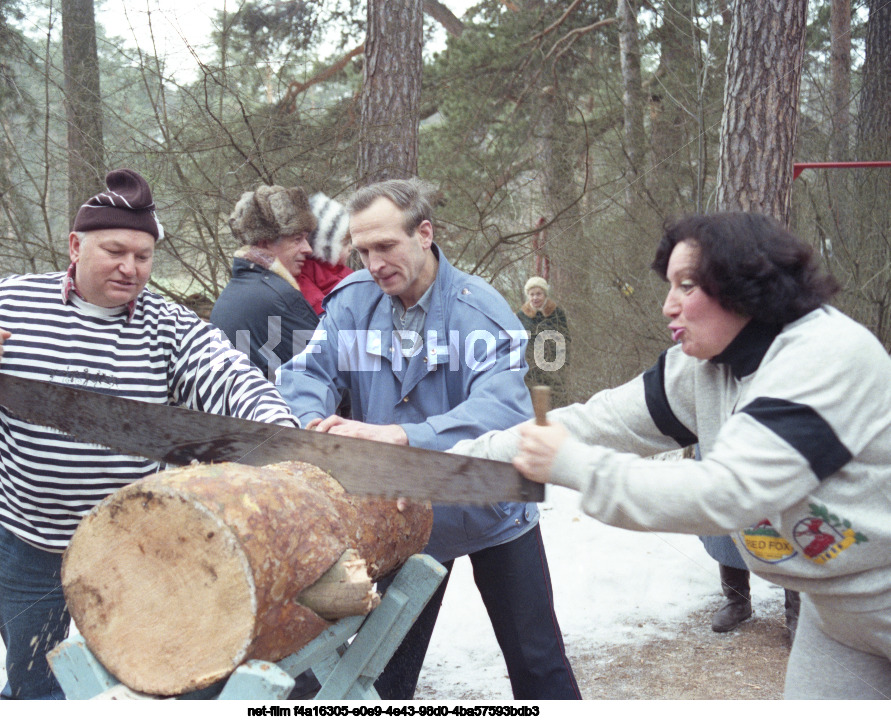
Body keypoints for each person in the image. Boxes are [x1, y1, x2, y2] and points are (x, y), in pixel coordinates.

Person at [457, 212, 891, 700]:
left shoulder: (824, 358)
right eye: (669, 286)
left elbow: (726, 494)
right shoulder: (706, 367)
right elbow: (598, 423)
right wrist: (463, 461)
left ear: (745, 281)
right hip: (837, 619)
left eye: (687, 286)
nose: (668, 306)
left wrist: (573, 464)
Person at [0, 169, 299, 700]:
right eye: (115, 251)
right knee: (33, 682)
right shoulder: (14, 301)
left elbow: (228, 374)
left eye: (143, 256)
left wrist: (280, 432)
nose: (130, 268)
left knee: (138, 678)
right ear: (75, 245)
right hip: (27, 536)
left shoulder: (168, 325)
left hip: (128, 543)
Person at [276, 178, 580, 700]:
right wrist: (312, 426)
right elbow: (307, 374)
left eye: (386, 246)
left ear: (424, 233)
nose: (373, 263)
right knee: (377, 674)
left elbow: (502, 408)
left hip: (489, 512)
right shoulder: (350, 302)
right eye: (363, 250)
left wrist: (406, 436)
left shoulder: (481, 311)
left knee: (539, 665)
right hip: (398, 516)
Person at [209, 184, 320, 380]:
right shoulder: (278, 296)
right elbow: (327, 366)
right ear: (264, 242)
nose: (308, 249)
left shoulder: (233, 292)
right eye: (297, 239)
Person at [296, 192, 354, 315]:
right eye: (344, 243)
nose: (350, 247)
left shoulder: (342, 270)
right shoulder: (306, 272)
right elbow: (316, 303)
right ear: (324, 247)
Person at [518, 275, 571, 407]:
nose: (535, 298)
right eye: (532, 294)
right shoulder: (521, 316)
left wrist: (564, 362)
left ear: (545, 294)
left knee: (556, 404)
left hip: (553, 368)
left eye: (538, 294)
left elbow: (566, 339)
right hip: (530, 371)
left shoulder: (557, 313)